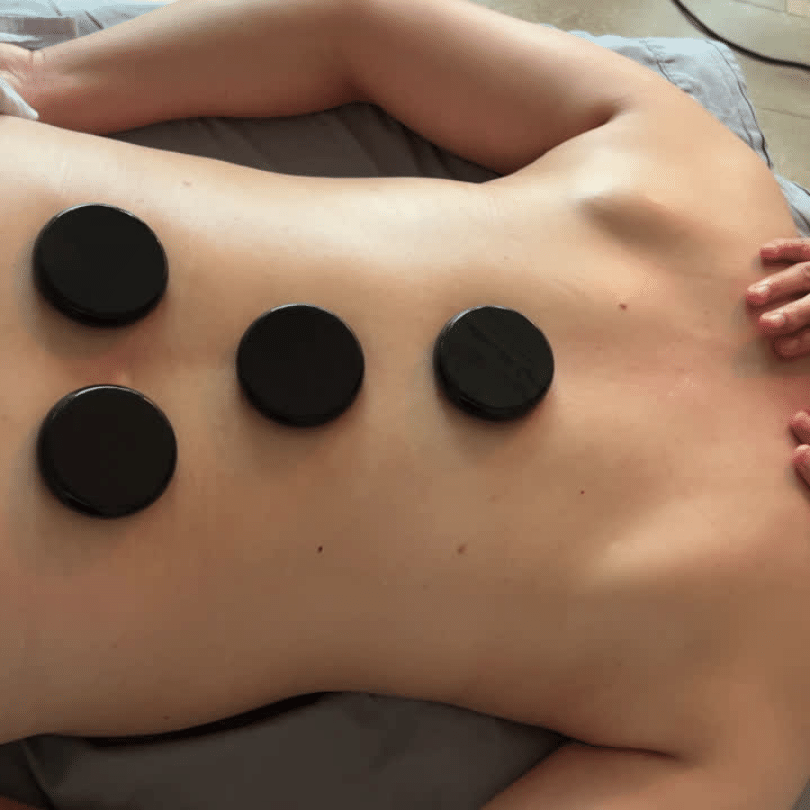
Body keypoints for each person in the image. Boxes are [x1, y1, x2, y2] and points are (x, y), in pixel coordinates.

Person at [0, 0, 810, 807]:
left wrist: (54, 80)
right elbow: (357, 29)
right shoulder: (704, 180)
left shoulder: (762, 715)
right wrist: (43, 78)